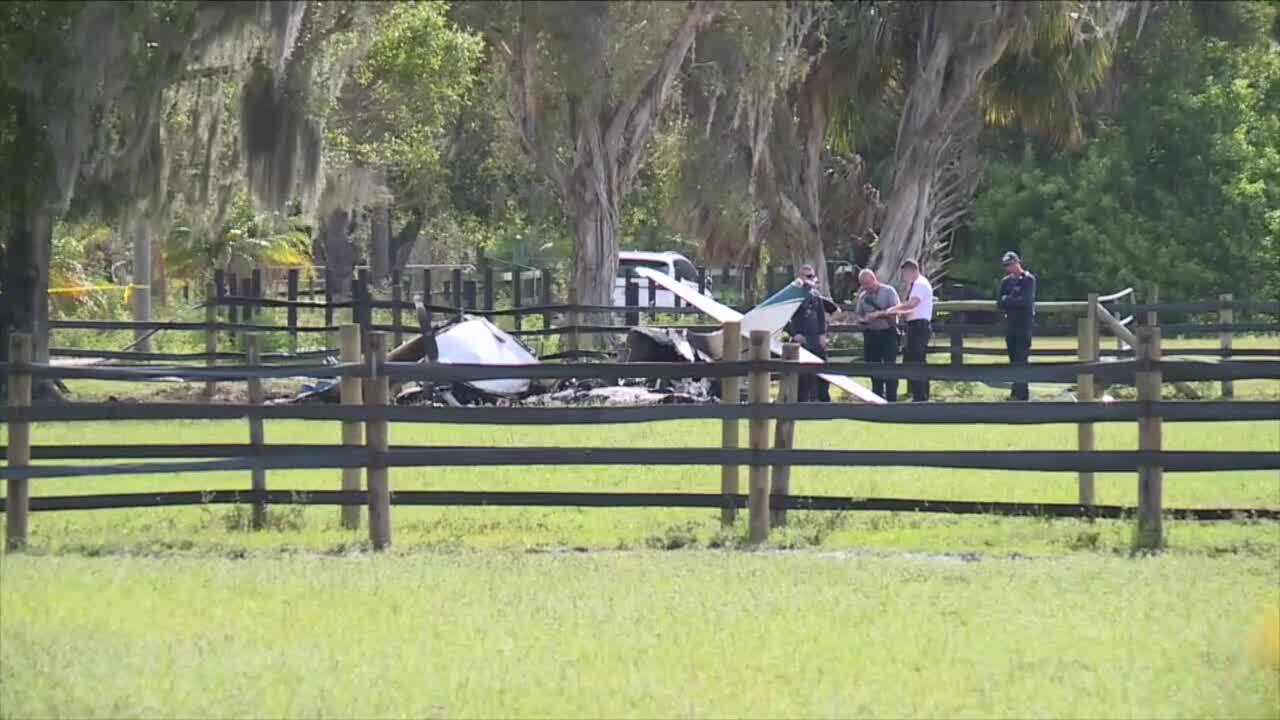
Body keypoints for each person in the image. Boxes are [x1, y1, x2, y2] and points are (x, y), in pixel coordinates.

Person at [883, 259, 934, 401]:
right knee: (913, 359)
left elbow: (912, 304)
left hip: (919, 326)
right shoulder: (917, 284)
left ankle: (921, 396)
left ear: (911, 270)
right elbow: (913, 308)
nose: (904, 277)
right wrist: (900, 312)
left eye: (904, 273)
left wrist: (892, 309)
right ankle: (919, 394)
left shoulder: (920, 284)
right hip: (915, 325)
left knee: (915, 360)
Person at [851, 268, 901, 402]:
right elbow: (858, 314)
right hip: (871, 335)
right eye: (863, 285)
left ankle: (892, 399)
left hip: (887, 333)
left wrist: (878, 314)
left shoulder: (889, 291)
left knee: (890, 367)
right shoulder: (863, 297)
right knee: (873, 367)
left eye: (867, 284)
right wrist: (863, 320)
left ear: (874, 279)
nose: (866, 287)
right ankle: (877, 398)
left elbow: (897, 310)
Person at [784, 265, 831, 402]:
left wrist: (822, 334)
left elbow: (821, 316)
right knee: (803, 374)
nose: (811, 279)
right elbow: (784, 317)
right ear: (800, 277)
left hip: (815, 338)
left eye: (812, 276)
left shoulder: (815, 294)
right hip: (801, 338)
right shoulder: (792, 293)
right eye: (808, 276)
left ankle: (823, 400)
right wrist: (794, 334)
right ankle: (802, 401)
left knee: (823, 369)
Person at [996, 251, 1037, 401]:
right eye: (1006, 266)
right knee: (1013, 359)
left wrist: (1009, 300)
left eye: (1011, 264)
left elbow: (1026, 301)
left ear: (1017, 262)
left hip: (1024, 325)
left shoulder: (1028, 279)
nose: (1009, 268)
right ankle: (1016, 393)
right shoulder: (1005, 282)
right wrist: (1012, 300)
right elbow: (999, 303)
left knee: (1021, 359)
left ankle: (1021, 394)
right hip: (1011, 326)